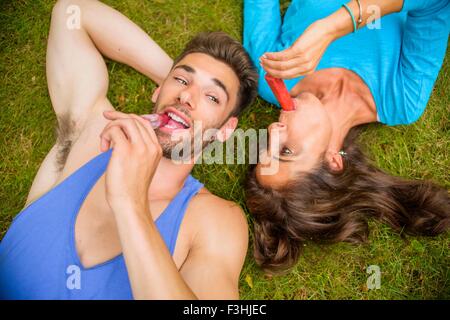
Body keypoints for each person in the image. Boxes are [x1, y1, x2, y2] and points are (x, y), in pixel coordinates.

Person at [0, 0, 258, 299]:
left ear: (226, 130)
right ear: (157, 89)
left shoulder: (215, 220)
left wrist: (130, 204)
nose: (188, 94)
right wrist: (176, 93)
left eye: (213, 97)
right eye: (182, 79)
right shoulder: (95, 135)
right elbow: (72, 13)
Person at [243, 0, 450, 273]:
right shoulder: (400, 98)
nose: (273, 130)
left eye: (265, 148)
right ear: (332, 161)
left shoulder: (271, 75)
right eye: (286, 151)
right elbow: (436, 5)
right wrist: (332, 27)